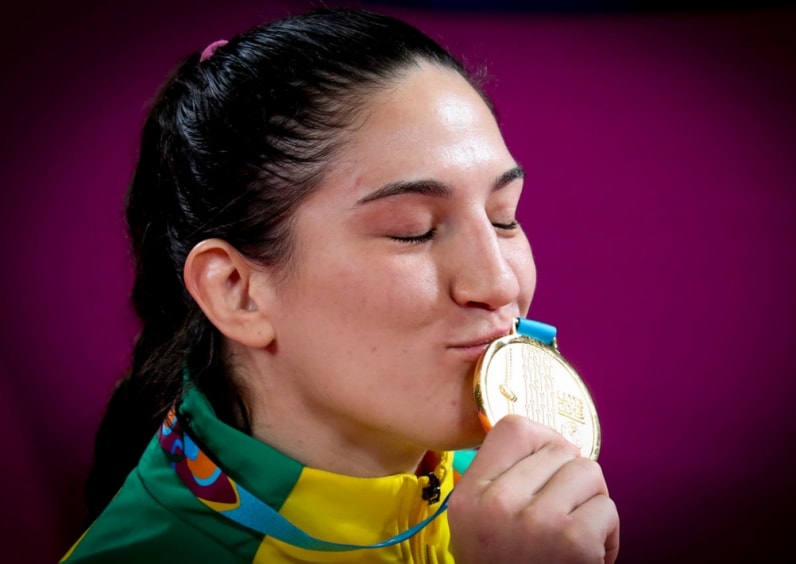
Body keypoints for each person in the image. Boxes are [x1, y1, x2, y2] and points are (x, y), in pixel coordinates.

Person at [61, 7, 619, 563]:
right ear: (237, 290)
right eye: (413, 232)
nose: (499, 283)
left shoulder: (522, 501)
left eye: (504, 217)